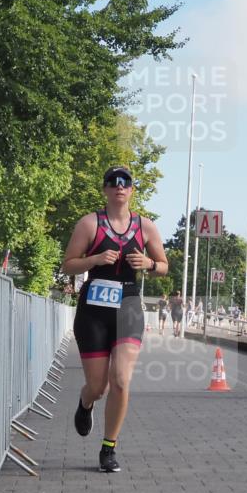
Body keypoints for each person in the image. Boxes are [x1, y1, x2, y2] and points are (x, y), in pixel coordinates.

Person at [61, 165, 168, 473]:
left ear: (132, 190)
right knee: (98, 387)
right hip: (93, 311)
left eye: (125, 182)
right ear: (105, 189)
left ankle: (109, 448)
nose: (119, 186)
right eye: (113, 181)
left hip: (129, 306)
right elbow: (68, 265)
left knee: (120, 379)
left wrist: (148, 263)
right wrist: (94, 260)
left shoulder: (145, 227)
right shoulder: (89, 224)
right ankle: (85, 402)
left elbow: (163, 266)